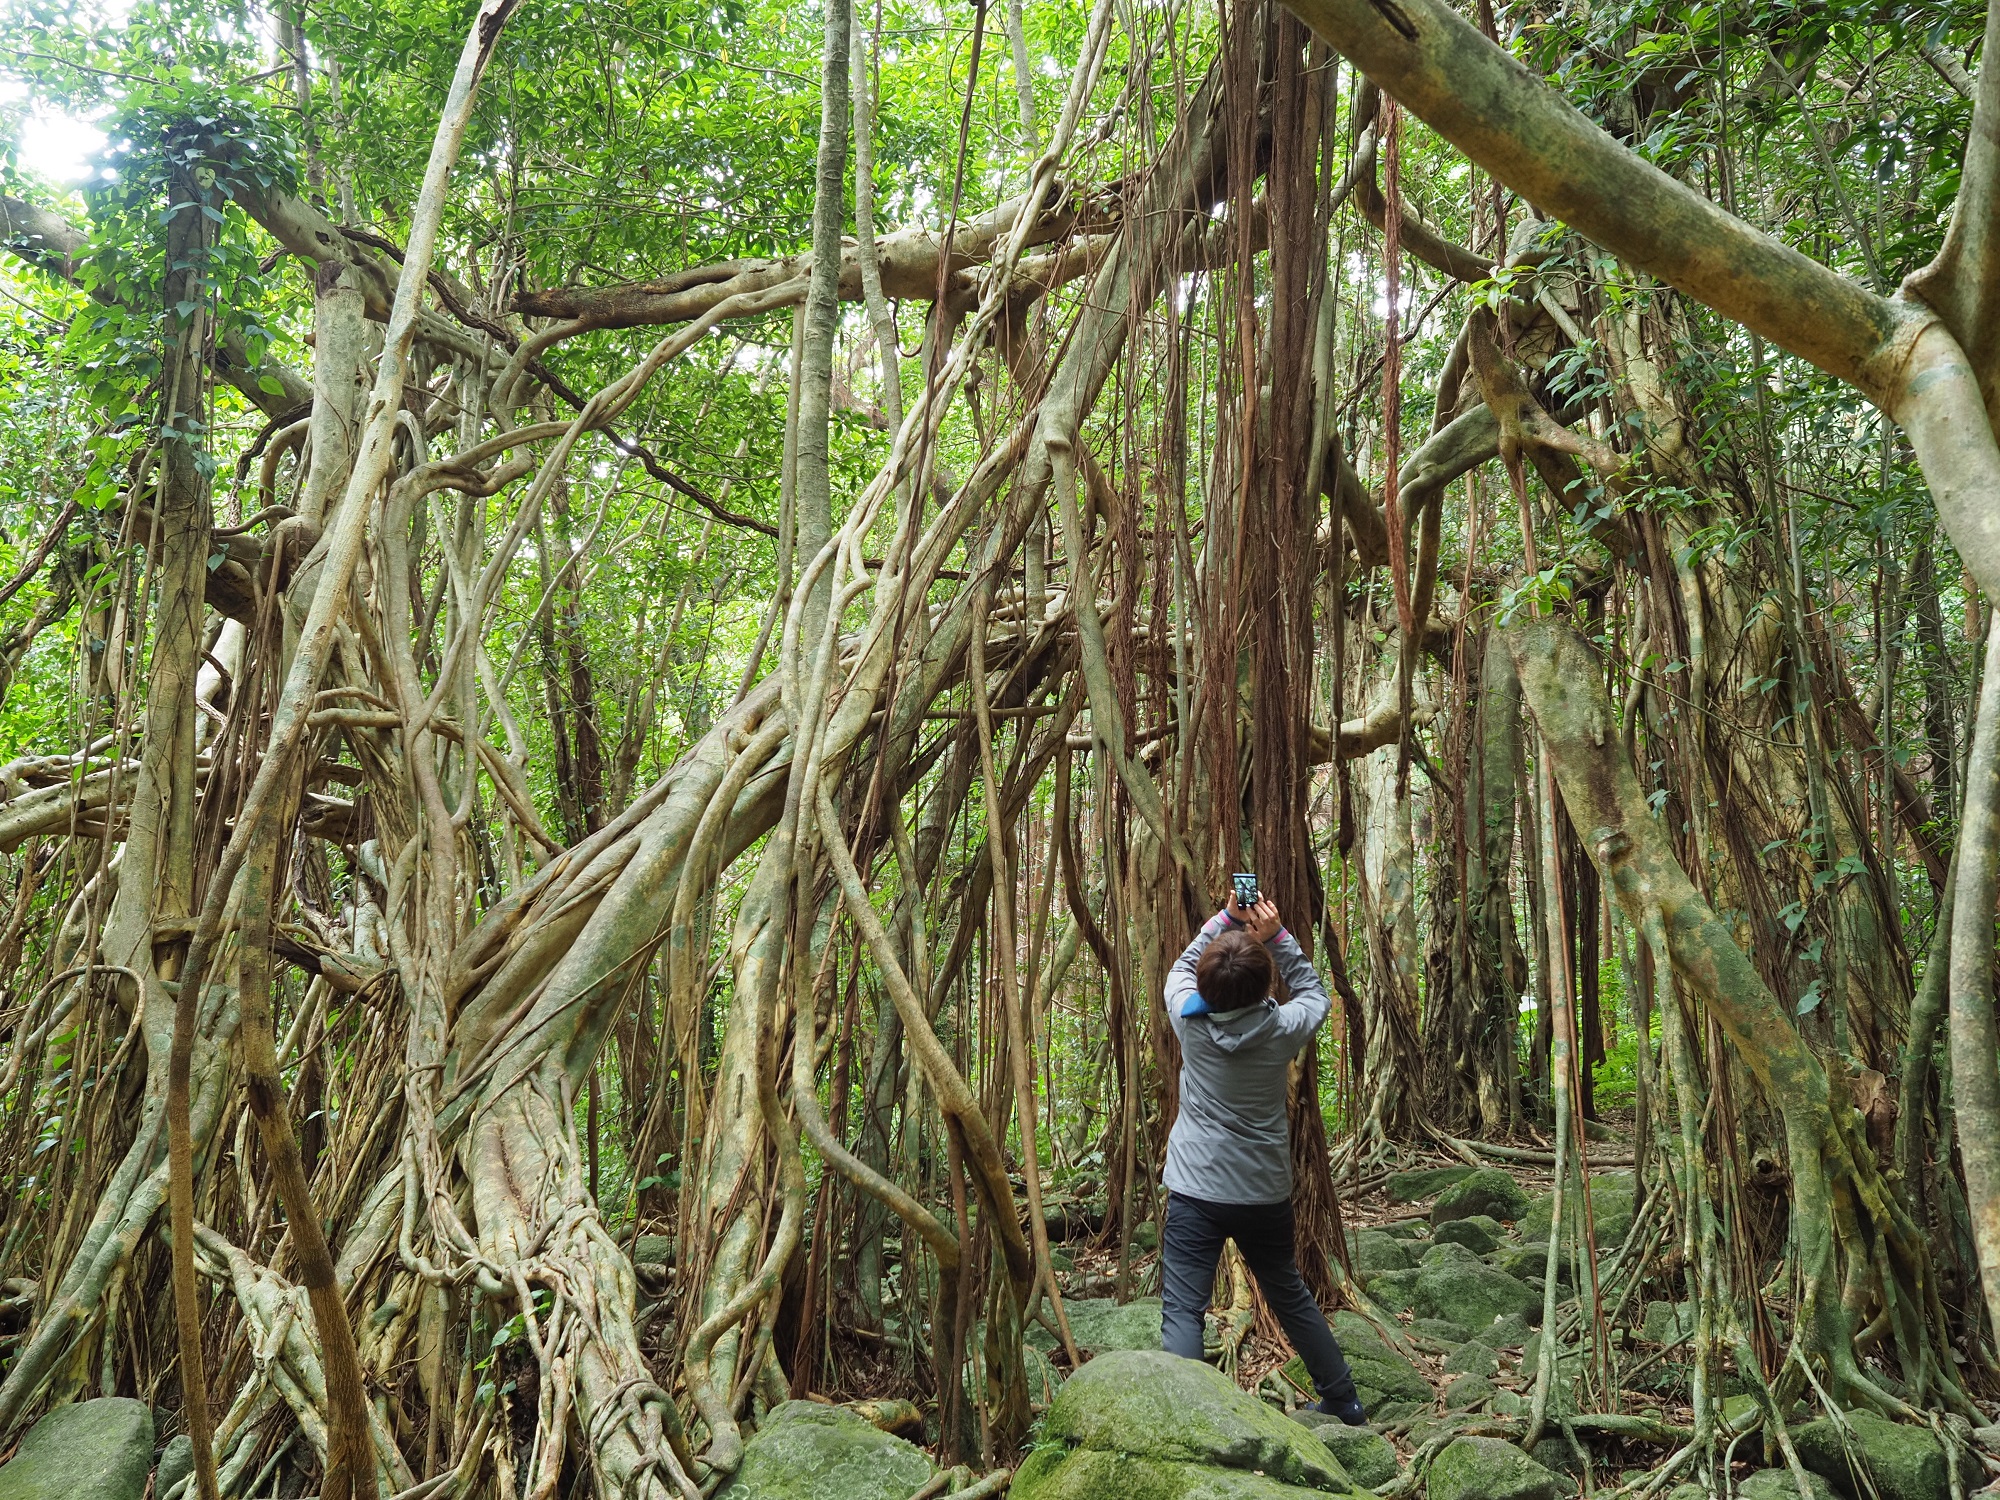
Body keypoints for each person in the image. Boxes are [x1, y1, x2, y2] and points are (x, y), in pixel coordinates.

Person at [1159, 889, 1366, 1424]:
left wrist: (1226, 917)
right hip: (1262, 1191)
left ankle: (1189, 1422)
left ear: (1206, 986)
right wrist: (1276, 935)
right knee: (1289, 1294)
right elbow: (1316, 994)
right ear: (1265, 984)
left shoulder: (1189, 1019)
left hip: (1195, 1189)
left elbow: (1183, 964)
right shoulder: (1281, 1028)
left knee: (1184, 1308)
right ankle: (1344, 1401)